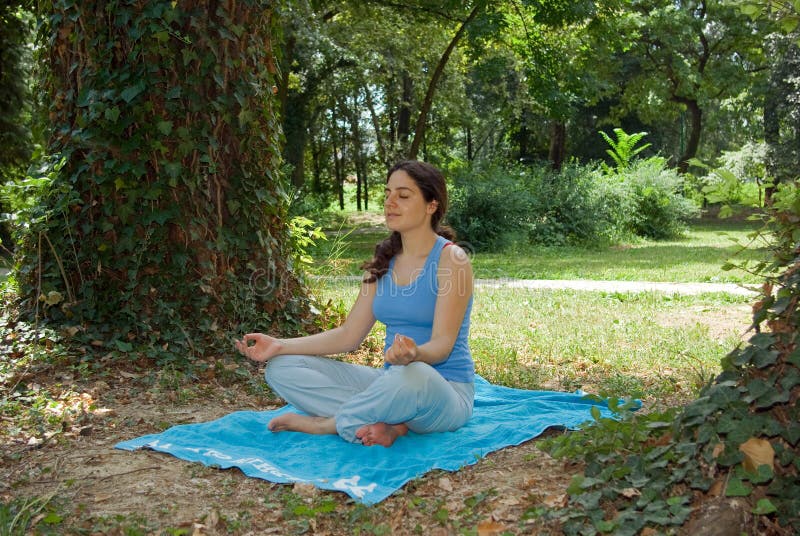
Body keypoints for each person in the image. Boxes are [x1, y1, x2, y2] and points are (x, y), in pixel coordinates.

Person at [235, 160, 474, 447]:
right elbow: (349, 336)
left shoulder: (452, 260)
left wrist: (414, 354)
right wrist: (281, 345)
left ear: (431, 205)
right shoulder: (381, 262)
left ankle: (330, 424)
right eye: (387, 194)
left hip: (442, 391)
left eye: (403, 195)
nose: (390, 202)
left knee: (414, 375)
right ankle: (390, 422)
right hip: (391, 384)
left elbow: (443, 345)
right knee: (281, 368)